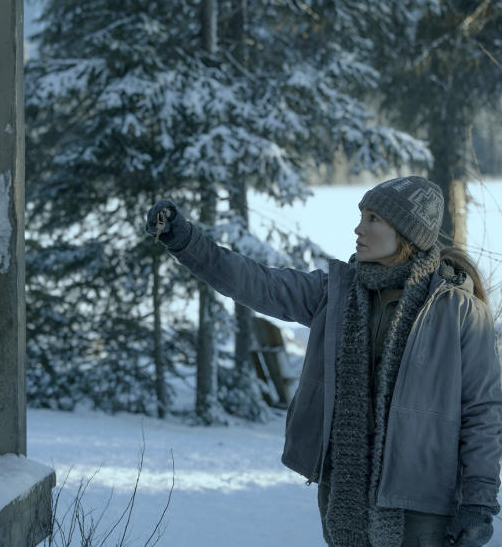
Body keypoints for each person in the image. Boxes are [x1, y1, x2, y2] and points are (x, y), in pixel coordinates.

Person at [145, 176, 502, 547]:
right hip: (343, 491)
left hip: (423, 504)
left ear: (407, 235)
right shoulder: (334, 293)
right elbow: (256, 282)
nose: (358, 228)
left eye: (373, 219)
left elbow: (483, 413)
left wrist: (478, 501)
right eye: (361, 215)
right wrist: (186, 242)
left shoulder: (460, 311)